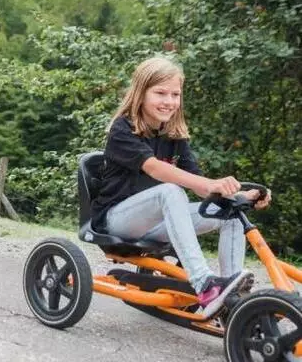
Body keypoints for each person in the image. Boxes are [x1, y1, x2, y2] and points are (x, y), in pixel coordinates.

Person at [91, 57, 271, 317]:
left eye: (175, 94)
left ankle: (233, 296)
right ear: (141, 94)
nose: (169, 101)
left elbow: (201, 186)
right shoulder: (123, 130)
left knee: (231, 210)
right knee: (170, 190)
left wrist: (241, 196)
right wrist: (209, 183)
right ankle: (205, 284)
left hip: (157, 222)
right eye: (160, 93)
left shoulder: (174, 136)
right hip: (117, 220)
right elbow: (154, 168)